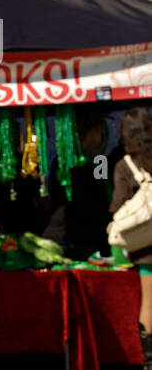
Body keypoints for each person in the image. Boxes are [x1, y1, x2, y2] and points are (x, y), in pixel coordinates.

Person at [109, 107, 152, 370]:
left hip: (145, 248)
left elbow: (117, 206)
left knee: (149, 304)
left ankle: (150, 367)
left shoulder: (124, 165)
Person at [42, 107, 112, 261]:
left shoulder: (100, 161)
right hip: (72, 240)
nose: (102, 137)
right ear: (91, 132)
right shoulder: (64, 163)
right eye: (100, 131)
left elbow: (103, 196)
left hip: (94, 240)